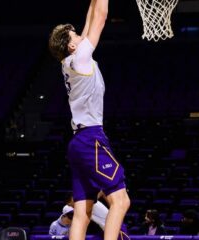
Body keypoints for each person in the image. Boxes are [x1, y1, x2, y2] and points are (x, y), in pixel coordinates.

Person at [48, 0, 131, 239]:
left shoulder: (70, 61)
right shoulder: (81, 57)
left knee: (83, 211)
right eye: (75, 35)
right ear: (72, 45)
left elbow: (89, 19)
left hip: (78, 142)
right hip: (90, 138)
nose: (80, 36)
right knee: (121, 201)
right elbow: (101, 17)